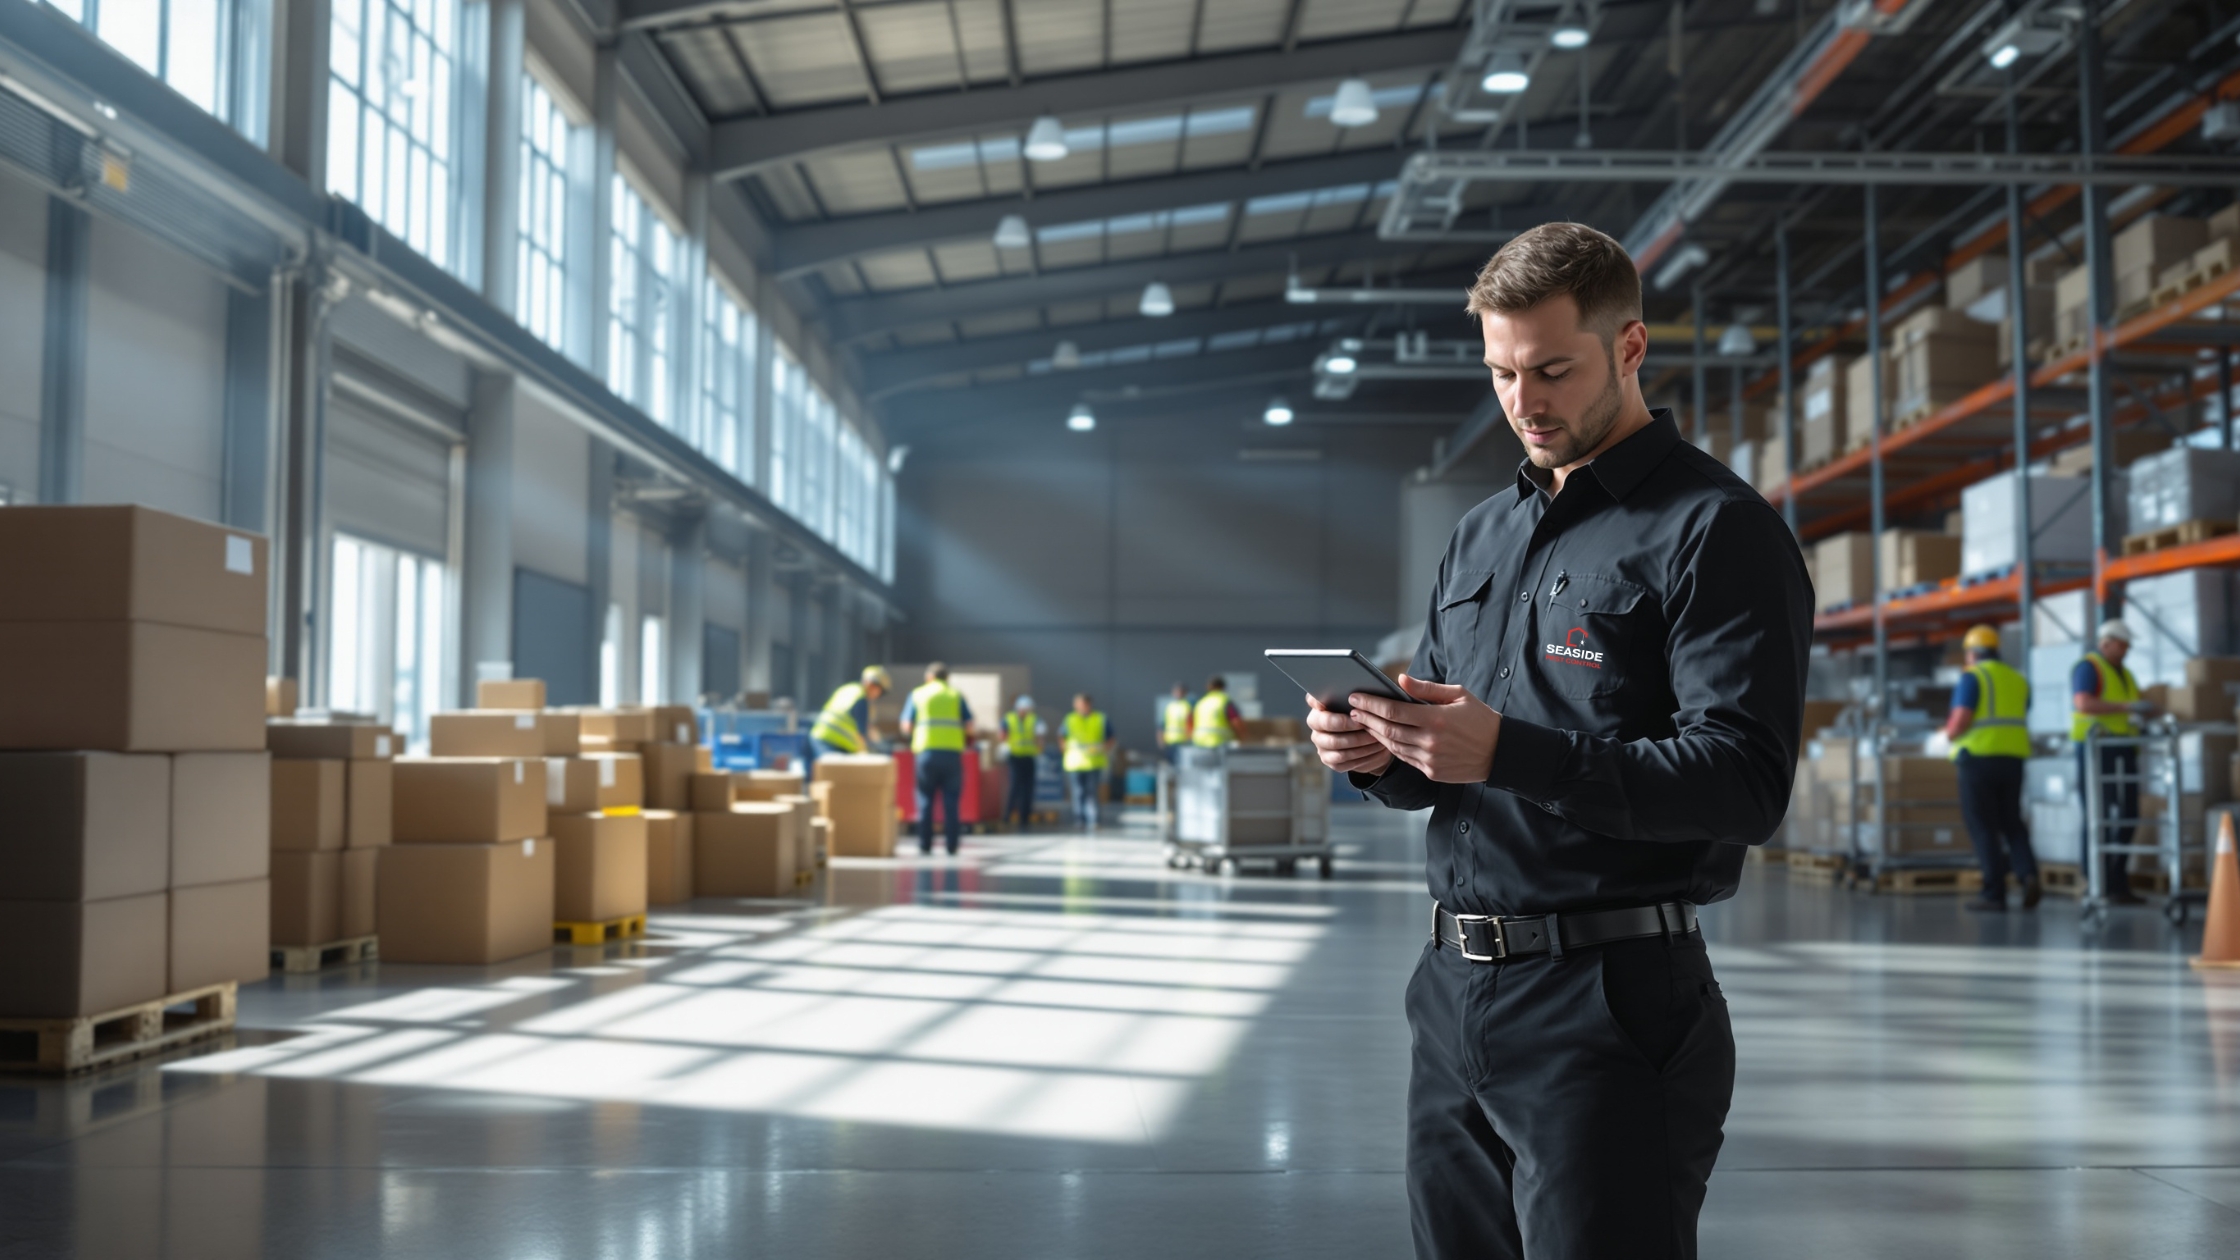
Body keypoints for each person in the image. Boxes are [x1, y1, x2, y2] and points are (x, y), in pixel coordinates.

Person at [1303, 221, 1811, 1260]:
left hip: (1608, 1005)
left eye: (1550, 370)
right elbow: (1449, 765)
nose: (1522, 402)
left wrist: (1508, 755)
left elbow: (1743, 782)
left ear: (1627, 348)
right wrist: (1380, 755)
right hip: (1450, 993)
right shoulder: (1481, 534)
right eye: (1500, 372)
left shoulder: (1712, 529)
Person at [1944, 624, 2039, 912]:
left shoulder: (1973, 678)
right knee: (2012, 822)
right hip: (2013, 759)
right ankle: (2028, 874)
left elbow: (1960, 719)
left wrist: (1945, 735)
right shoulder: (2018, 679)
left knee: (1983, 826)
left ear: (1972, 653)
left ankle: (1993, 893)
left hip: (1978, 759)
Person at [2072, 618, 2155, 906]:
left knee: (2129, 813)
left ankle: (2118, 881)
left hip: (2123, 749)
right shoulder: (2089, 667)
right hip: (2096, 750)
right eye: (2122, 645)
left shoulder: (2127, 674)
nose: (2127, 650)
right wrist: (2126, 707)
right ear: (2106, 642)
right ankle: (2094, 880)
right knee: (2099, 815)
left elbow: (2128, 708)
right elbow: (2083, 703)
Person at [899, 663, 973, 856]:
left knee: (925, 799)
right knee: (951, 801)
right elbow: (970, 726)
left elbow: (906, 726)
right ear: (947, 678)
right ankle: (952, 846)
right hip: (951, 755)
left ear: (929, 677)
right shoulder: (956, 695)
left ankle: (925, 845)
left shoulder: (918, 694)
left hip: (926, 754)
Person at [809, 666, 890, 756]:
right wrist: (865, 755)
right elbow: (861, 735)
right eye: (880, 691)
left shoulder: (849, 689)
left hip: (819, 735)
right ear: (873, 685)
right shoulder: (861, 700)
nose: (878, 695)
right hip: (832, 742)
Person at [1062, 693, 1114, 830]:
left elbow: (1111, 738)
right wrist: (1064, 749)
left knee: (1092, 792)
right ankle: (1080, 820)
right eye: (1077, 704)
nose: (1078, 707)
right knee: (1078, 793)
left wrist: (1104, 749)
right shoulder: (1070, 719)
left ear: (1088, 704)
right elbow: (1061, 736)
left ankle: (1095, 820)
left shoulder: (1100, 718)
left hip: (1093, 763)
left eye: (1081, 704)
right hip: (1075, 763)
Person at [1002, 695, 1045, 831]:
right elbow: (1002, 734)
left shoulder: (1035, 720)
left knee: (1028, 789)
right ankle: (1007, 816)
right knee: (1014, 787)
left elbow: (1039, 738)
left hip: (1029, 757)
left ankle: (1024, 818)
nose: (1027, 711)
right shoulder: (1009, 718)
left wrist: (1038, 751)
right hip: (1014, 757)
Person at [1189, 675, 1248, 748]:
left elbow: (1190, 721)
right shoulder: (1224, 701)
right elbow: (1236, 722)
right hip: (1219, 743)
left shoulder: (1200, 702)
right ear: (1223, 687)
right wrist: (1242, 738)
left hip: (1199, 743)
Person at [1159, 683, 1194, 764]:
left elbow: (1192, 724)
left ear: (1185, 693)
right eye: (1176, 691)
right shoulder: (1169, 707)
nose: (1178, 694)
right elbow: (1162, 725)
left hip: (1184, 742)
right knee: (1171, 764)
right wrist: (1161, 740)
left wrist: (1190, 739)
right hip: (1170, 742)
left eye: (1181, 691)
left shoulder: (1189, 706)